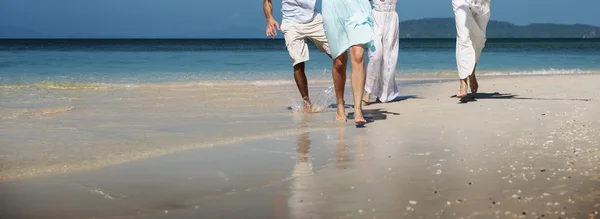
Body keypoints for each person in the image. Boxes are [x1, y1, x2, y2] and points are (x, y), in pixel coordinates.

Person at [263, 0, 345, 113]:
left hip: (314, 20)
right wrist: (269, 19)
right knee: (298, 64)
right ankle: (306, 102)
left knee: (339, 59)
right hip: (291, 24)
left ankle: (341, 98)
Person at [322, 0, 375, 125]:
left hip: (356, 5)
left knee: (358, 55)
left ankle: (358, 109)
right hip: (333, 6)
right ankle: (340, 104)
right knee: (339, 62)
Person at [363, 0, 400, 105]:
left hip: (391, 17)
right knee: (375, 55)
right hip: (375, 17)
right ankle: (368, 91)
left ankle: (383, 94)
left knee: (389, 58)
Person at [453, 0, 491, 98]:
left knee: (479, 39)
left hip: (482, 4)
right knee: (463, 37)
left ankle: (471, 72)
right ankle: (463, 81)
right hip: (461, 2)